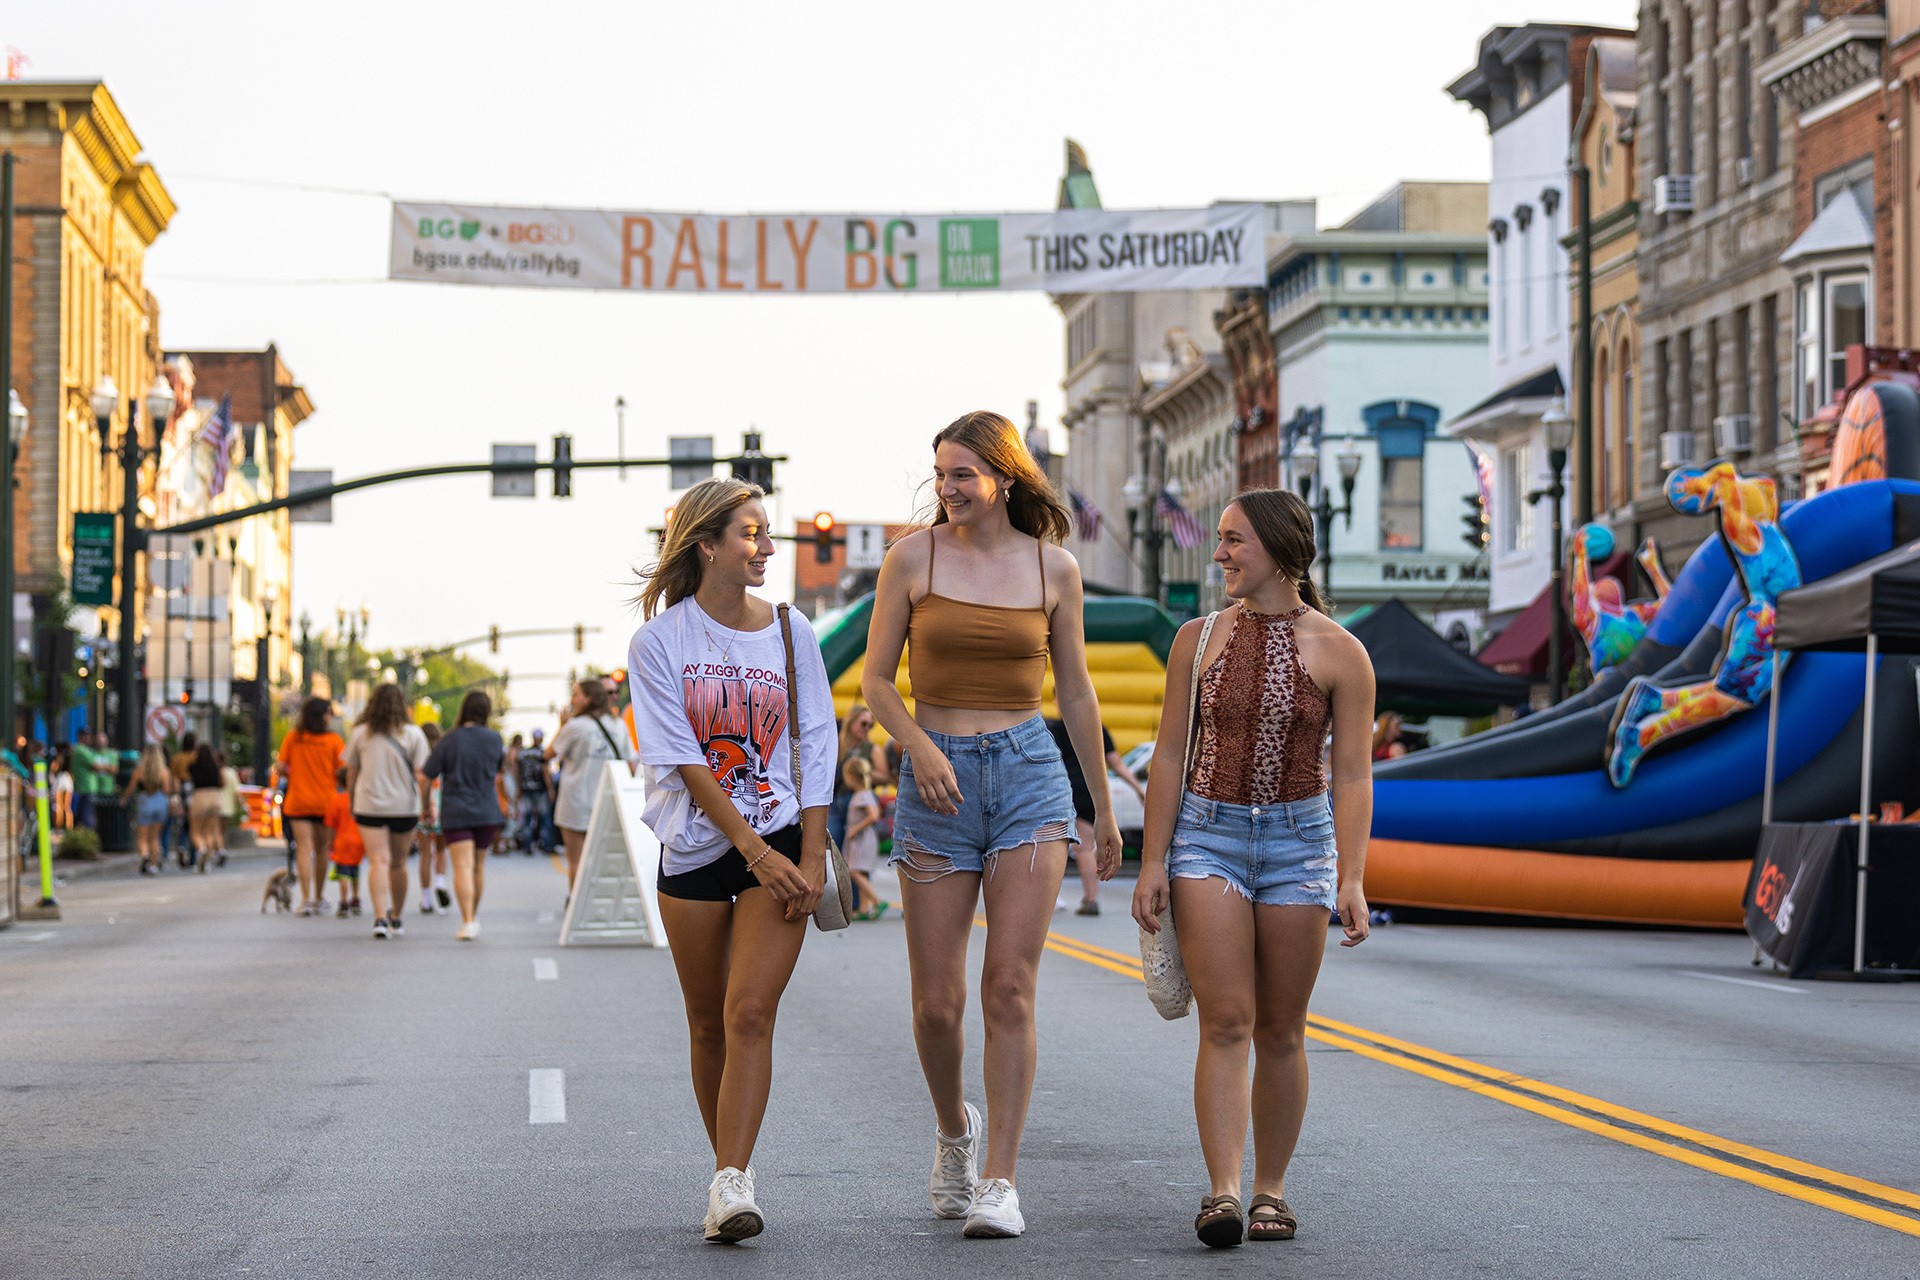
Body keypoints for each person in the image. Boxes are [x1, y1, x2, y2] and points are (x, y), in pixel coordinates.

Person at [862, 410, 1122, 1239]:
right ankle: (954, 1135)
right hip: (933, 777)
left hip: (1028, 776)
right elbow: (874, 682)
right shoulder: (913, 558)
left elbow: (1075, 693)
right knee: (937, 1005)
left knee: (1007, 985)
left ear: (1005, 478)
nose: (949, 489)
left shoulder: (1055, 569)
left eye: (963, 475)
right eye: (941, 474)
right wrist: (917, 750)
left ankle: (1001, 1181)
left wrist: (1101, 807)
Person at [1132, 489, 1375, 1249]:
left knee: (1281, 1027)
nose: (1221, 554)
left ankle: (1272, 1189)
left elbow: (1354, 775)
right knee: (1227, 1018)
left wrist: (1353, 877)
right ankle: (1225, 1191)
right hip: (1208, 836)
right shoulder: (1195, 639)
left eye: (1234, 540)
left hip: (1301, 843)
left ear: (1278, 548)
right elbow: (1169, 754)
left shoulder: (1342, 650)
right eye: (1221, 540)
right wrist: (1153, 863)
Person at [628, 476, 833, 1244]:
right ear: (706, 543)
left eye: (768, 532)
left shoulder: (791, 631)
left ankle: (733, 1179)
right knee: (707, 1023)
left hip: (779, 839)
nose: (768, 548)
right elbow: (680, 755)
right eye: (751, 534)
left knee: (750, 1012)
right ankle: (724, 1175)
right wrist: (746, 849)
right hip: (695, 848)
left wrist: (805, 855)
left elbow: (816, 741)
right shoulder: (659, 643)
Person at [342, 683, 431, 940]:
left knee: (378, 860)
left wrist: (351, 800)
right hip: (404, 807)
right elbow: (422, 774)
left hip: (369, 804)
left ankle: (380, 918)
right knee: (399, 863)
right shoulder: (414, 734)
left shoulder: (360, 733)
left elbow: (352, 771)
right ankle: (397, 917)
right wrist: (425, 805)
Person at [422, 690, 506, 941]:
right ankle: (473, 917)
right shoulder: (495, 739)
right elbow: (498, 771)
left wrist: (426, 806)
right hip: (487, 810)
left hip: (456, 809)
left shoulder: (450, 740)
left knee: (462, 865)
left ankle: (467, 919)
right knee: (478, 866)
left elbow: (427, 776)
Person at [1043, 716, 1141, 916]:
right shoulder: (1096, 726)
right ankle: (1091, 898)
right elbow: (1115, 762)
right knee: (1086, 848)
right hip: (1090, 790)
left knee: (1053, 845)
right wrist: (1138, 788)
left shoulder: (1055, 729)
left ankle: (1048, 898)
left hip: (1063, 789)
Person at [547, 678, 639, 885]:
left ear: (588, 699)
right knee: (604, 861)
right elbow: (630, 762)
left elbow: (549, 753)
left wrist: (562, 726)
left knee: (576, 861)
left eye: (576, 694)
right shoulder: (619, 725)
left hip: (576, 802)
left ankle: (576, 905)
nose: (572, 699)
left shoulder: (575, 726)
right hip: (608, 801)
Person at [275, 698, 345, 916]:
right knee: (322, 850)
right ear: (322, 715)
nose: (330, 717)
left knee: (303, 849)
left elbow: (280, 766)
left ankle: (304, 899)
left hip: (298, 801)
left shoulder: (294, 738)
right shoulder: (334, 741)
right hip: (325, 802)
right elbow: (342, 770)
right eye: (328, 713)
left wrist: (294, 774)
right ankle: (319, 896)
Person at [828, 703, 888, 848]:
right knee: (831, 846)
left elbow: (884, 776)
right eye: (863, 724)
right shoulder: (837, 745)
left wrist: (861, 771)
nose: (867, 728)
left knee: (856, 853)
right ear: (851, 721)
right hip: (837, 800)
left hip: (859, 802)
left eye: (870, 725)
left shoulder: (872, 748)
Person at [841, 755, 888, 921]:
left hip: (862, 838)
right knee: (861, 871)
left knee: (854, 871)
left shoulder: (862, 795)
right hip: (861, 838)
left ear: (852, 777)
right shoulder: (864, 794)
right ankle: (863, 907)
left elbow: (874, 815)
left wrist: (855, 829)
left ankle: (876, 900)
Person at [416, 722, 451, 914]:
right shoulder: (443, 755)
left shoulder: (419, 756)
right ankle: (440, 881)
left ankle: (426, 898)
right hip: (441, 807)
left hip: (422, 807)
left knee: (425, 854)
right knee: (441, 850)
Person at [123, 746, 174, 875]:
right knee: (155, 838)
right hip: (160, 801)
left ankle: (145, 856)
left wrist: (123, 798)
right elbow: (167, 790)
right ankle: (153, 865)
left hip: (145, 800)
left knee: (142, 837)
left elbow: (131, 788)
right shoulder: (164, 771)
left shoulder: (140, 770)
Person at [325, 782, 365, 916]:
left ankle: (343, 902)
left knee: (343, 875)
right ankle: (355, 899)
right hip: (359, 841)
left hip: (342, 842)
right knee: (355, 872)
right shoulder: (360, 799)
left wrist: (330, 843)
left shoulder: (337, 800)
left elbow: (331, 823)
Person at [186, 743, 226, 871]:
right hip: (215, 797)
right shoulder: (216, 766)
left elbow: (186, 775)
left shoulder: (193, 766)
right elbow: (223, 782)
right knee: (210, 831)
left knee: (195, 830)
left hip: (199, 796)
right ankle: (207, 862)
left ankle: (201, 849)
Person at [516, 728, 554, 855]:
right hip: (540, 789)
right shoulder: (542, 753)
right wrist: (550, 789)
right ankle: (546, 845)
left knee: (527, 818)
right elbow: (546, 771)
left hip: (526, 788)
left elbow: (518, 772)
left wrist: (519, 788)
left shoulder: (523, 753)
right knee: (544, 818)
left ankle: (528, 845)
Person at [499, 733, 524, 853]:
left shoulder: (507, 751)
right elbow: (515, 770)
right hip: (511, 782)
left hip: (506, 781)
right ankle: (507, 838)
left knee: (508, 808)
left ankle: (506, 839)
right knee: (513, 809)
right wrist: (519, 783)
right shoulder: (514, 752)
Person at [50, 746, 73, 830]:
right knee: (67, 806)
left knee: (58, 805)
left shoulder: (57, 759)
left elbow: (54, 769)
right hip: (68, 780)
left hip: (60, 780)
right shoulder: (70, 757)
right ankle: (68, 826)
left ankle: (59, 826)